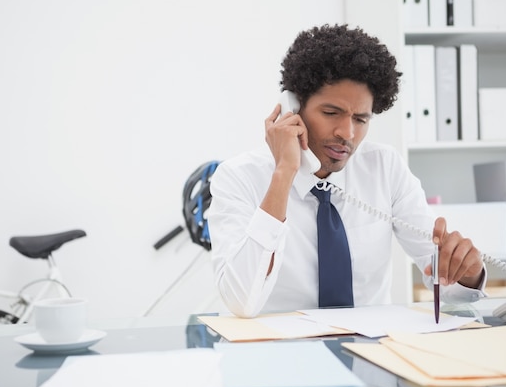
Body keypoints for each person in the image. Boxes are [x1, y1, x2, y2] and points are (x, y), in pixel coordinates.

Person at [207, 24, 486, 318]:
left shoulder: (384, 167)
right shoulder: (238, 178)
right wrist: (284, 173)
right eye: (331, 113)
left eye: (361, 119)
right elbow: (240, 302)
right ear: (293, 108)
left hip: (371, 351)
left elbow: (449, 285)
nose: (347, 133)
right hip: (278, 353)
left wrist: (466, 269)